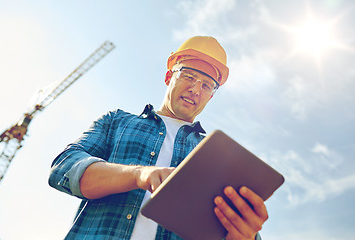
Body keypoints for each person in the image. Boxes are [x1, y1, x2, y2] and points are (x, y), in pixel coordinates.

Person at [49, 36, 268, 240]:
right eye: (189, 76)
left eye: (206, 85)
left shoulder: (217, 157)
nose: (195, 89)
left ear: (211, 95)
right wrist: (139, 175)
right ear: (168, 77)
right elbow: (64, 168)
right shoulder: (116, 122)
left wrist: (245, 235)